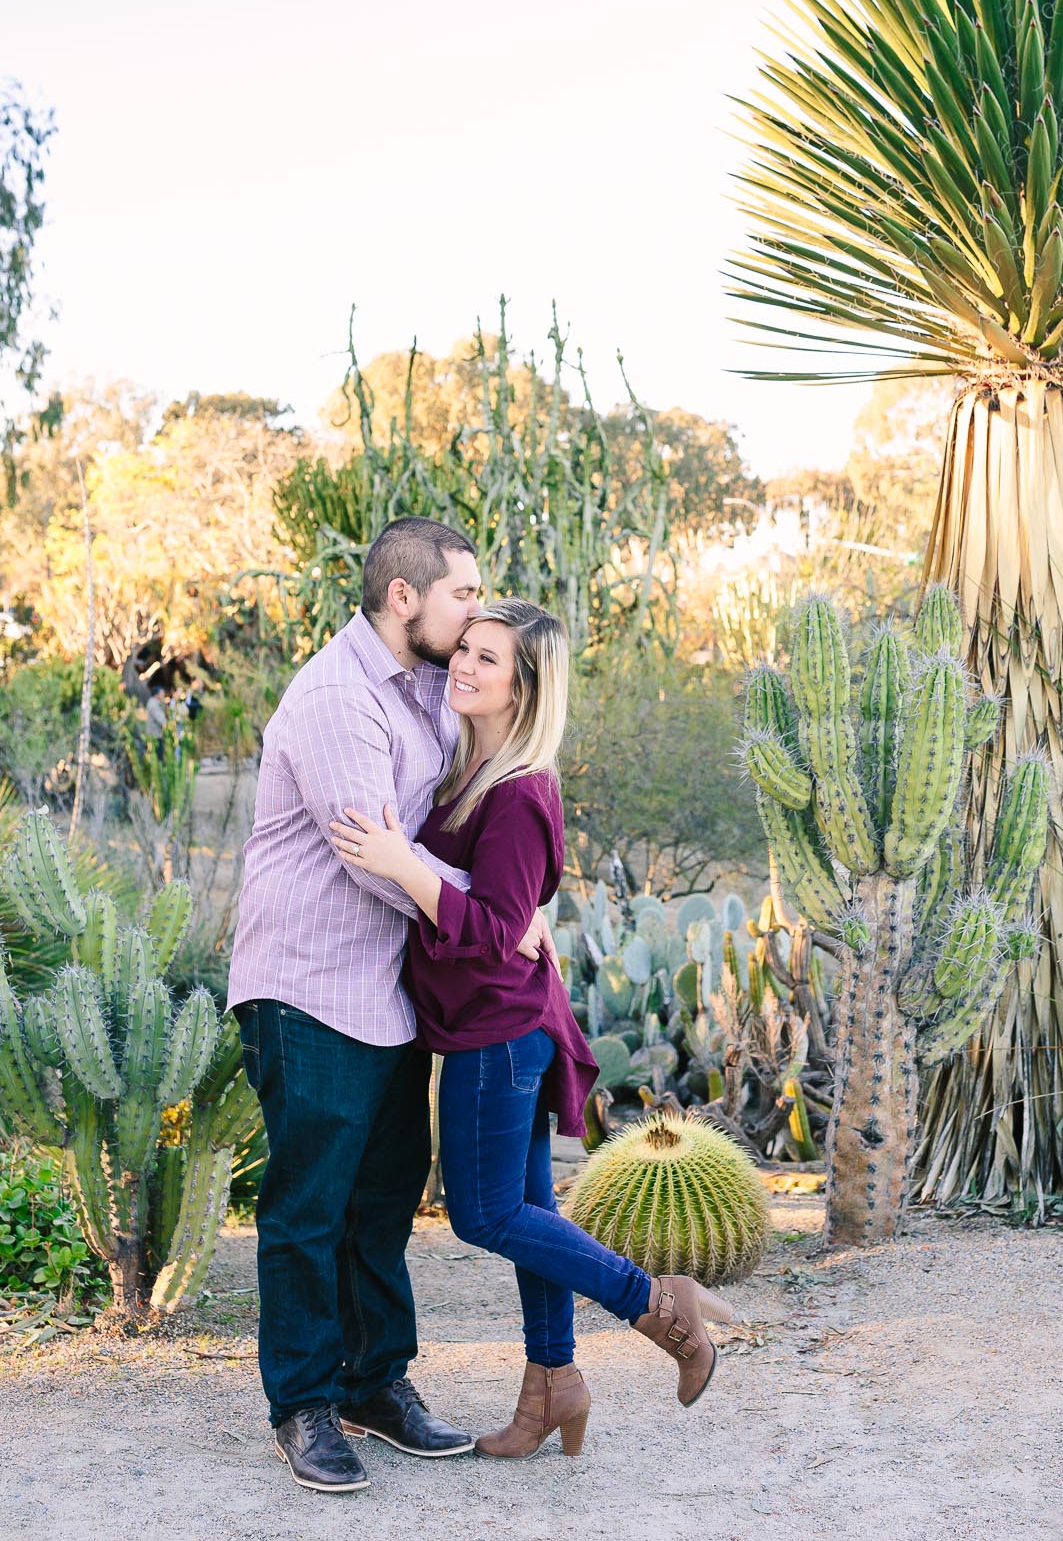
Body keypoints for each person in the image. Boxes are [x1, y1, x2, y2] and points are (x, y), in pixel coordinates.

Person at [329, 597, 731, 1460]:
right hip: (496, 1024)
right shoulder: (469, 771)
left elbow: (487, 927)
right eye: (462, 651)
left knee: (484, 1215)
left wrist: (401, 862)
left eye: (488, 660)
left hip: (497, 1033)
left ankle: (656, 1303)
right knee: (530, 1208)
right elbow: (508, 911)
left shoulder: (519, 793)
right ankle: (554, 1384)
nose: (462, 668)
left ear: (524, 687)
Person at [226, 518, 557, 1494]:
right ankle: (304, 1402)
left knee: (379, 1203)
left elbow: (441, 834)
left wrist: (507, 896)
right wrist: (498, 910)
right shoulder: (339, 696)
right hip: (311, 986)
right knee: (309, 1206)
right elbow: (374, 864)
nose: (474, 612)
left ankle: (376, 1382)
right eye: (463, 593)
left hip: (389, 994)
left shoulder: (424, 688)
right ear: (405, 596)